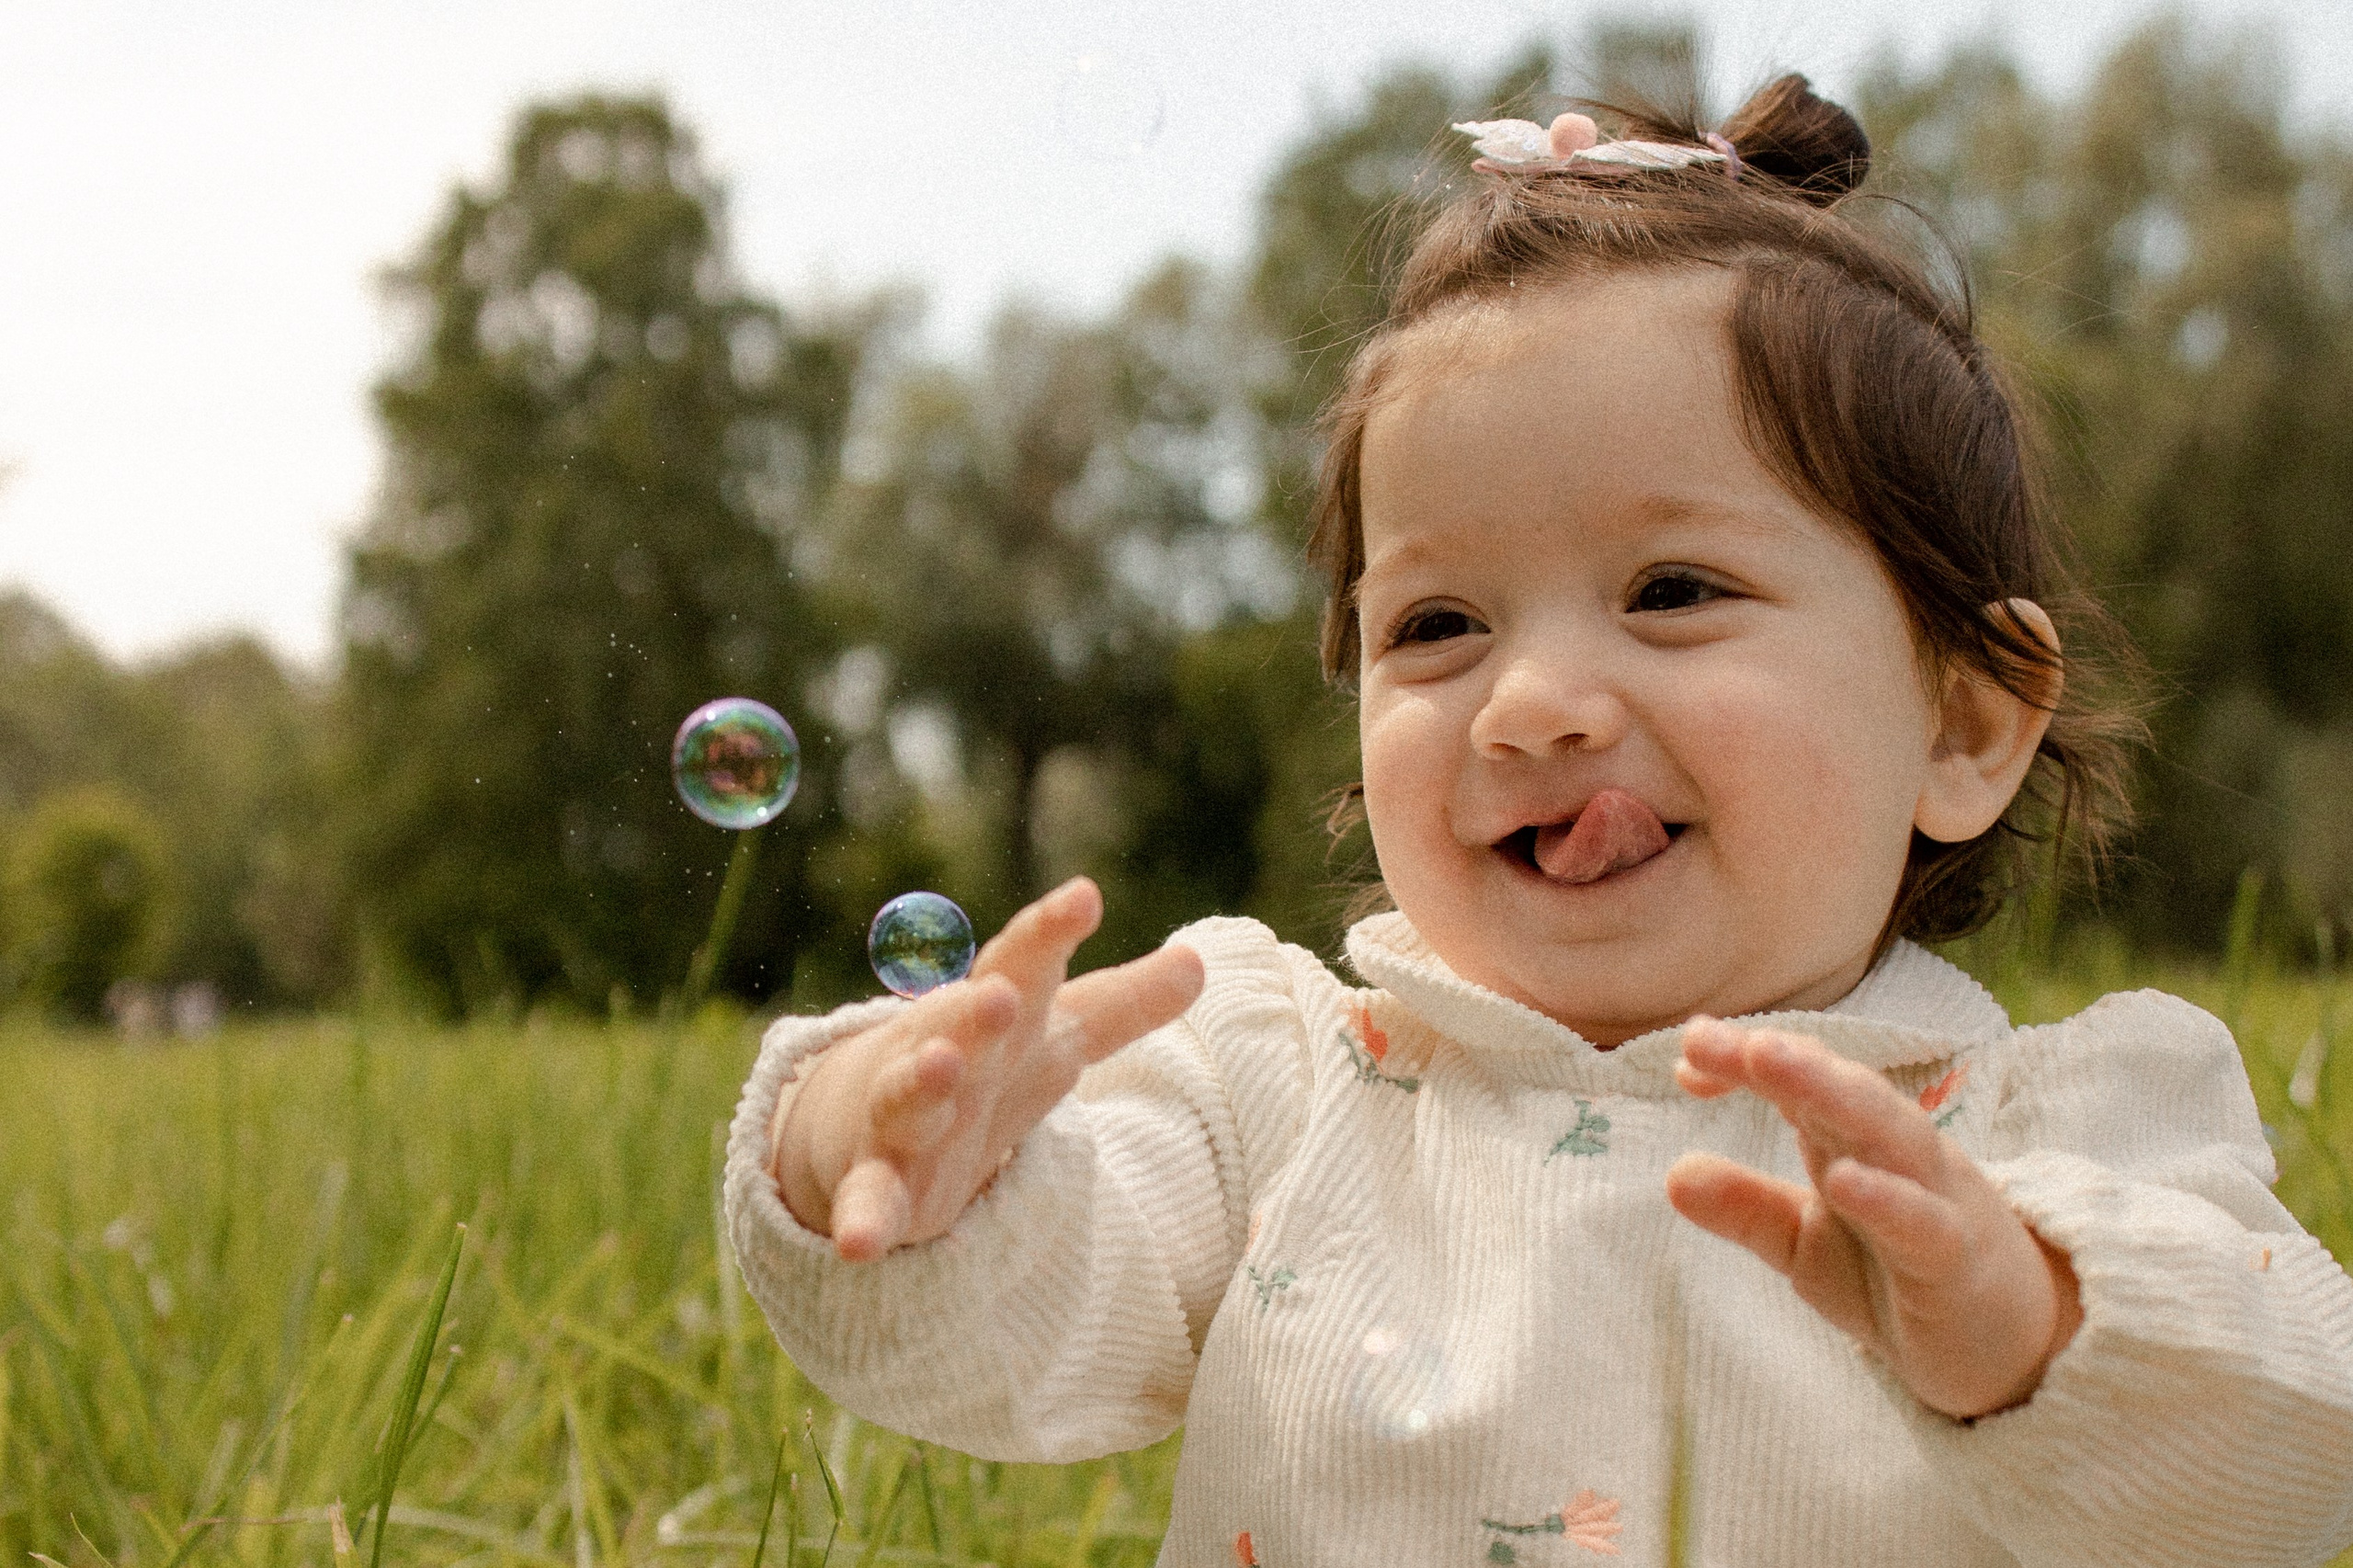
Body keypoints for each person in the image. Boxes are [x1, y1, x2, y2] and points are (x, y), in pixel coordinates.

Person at [722, 74, 2353, 1566]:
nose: (1533, 704)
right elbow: (1017, 1332)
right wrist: (882, 1150)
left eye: (1672, 589)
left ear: (1966, 719)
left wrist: (2027, 1325)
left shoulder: (2061, 1138)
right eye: (1436, 626)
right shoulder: (1282, 1087)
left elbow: (2302, 1460)